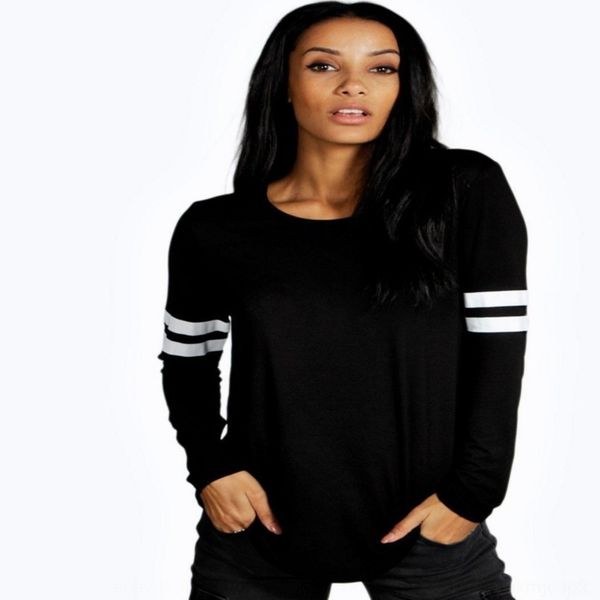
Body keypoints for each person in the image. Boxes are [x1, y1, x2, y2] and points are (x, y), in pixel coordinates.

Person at [157, 3, 528, 599]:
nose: (354, 85)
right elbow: (187, 361)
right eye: (324, 65)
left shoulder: (464, 191)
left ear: (405, 87)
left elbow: (499, 357)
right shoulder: (215, 228)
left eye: (382, 69)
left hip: (428, 528)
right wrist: (211, 468)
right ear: (283, 82)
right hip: (256, 530)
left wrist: (472, 495)